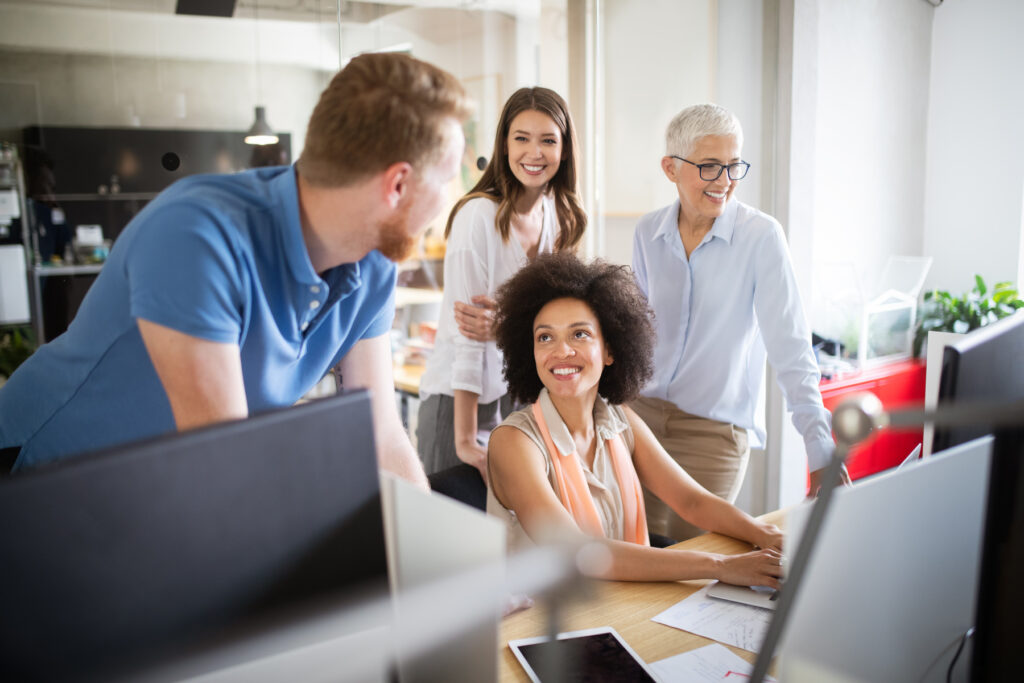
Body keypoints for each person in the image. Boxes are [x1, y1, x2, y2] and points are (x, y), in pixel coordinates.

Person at [0, 52, 472, 487]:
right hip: (43, 473)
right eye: (448, 177)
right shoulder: (197, 237)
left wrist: (430, 549)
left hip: (155, 484)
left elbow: (383, 435)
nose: (451, 196)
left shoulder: (372, 260)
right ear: (398, 184)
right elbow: (226, 463)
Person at [486, 252, 784, 585]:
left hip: (624, 604)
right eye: (545, 337)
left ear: (610, 351)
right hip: (544, 623)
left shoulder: (620, 420)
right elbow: (580, 553)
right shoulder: (514, 442)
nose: (561, 351)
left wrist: (765, 533)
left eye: (579, 334)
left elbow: (691, 500)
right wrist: (719, 566)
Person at [631, 103, 841, 541]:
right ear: (670, 168)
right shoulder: (647, 233)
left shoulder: (760, 237)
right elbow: (634, 331)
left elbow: (791, 348)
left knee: (697, 571)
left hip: (713, 435)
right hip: (642, 422)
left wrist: (820, 452)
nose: (724, 181)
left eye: (733, 165)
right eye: (709, 166)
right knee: (639, 554)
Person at [416, 87, 586, 481]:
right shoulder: (479, 217)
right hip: (458, 403)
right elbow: (469, 334)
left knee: (503, 536)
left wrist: (507, 329)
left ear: (564, 150)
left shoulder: (556, 218)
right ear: (504, 146)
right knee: (457, 534)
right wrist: (462, 438)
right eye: (521, 138)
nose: (534, 152)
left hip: (516, 399)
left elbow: (554, 322)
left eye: (548, 140)